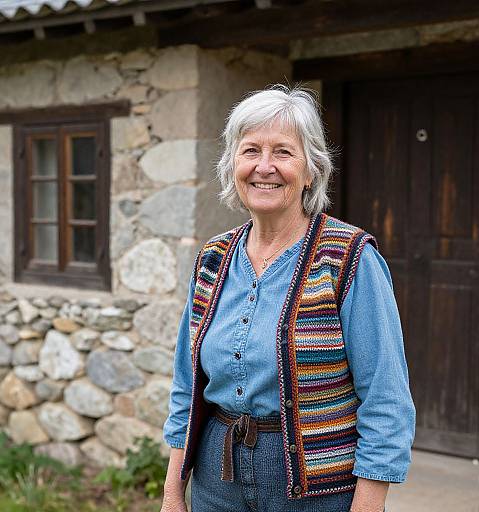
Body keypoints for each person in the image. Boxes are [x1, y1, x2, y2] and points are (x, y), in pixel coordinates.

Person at [160, 85, 416, 512]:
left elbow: (386, 398)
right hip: (215, 478)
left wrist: (368, 506)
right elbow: (187, 389)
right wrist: (173, 494)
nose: (265, 167)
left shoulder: (348, 259)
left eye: (283, 152)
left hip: (316, 489)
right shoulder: (213, 259)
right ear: (232, 166)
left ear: (311, 169)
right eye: (250, 151)